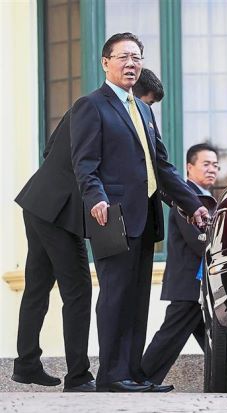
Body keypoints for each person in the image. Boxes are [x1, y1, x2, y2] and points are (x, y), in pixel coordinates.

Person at [70, 32, 209, 393]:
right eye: (123, 57)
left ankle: (134, 374)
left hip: (145, 216)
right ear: (106, 63)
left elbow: (161, 166)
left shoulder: (144, 109)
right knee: (115, 296)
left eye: (137, 58)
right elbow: (85, 163)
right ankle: (112, 375)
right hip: (111, 216)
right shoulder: (91, 106)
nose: (131, 64)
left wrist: (192, 204)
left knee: (136, 299)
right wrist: (95, 198)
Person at [12, 111, 96, 392]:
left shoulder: (81, 108)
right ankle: (78, 376)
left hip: (38, 200)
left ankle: (26, 364)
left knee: (36, 288)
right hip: (61, 210)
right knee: (78, 291)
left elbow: (49, 150)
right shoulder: (108, 110)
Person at [142, 143, 219, 385]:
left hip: (199, 285)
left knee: (216, 339)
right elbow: (198, 240)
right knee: (170, 337)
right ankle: (141, 379)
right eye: (206, 164)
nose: (212, 169)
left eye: (215, 165)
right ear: (189, 167)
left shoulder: (205, 198)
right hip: (189, 283)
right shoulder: (187, 197)